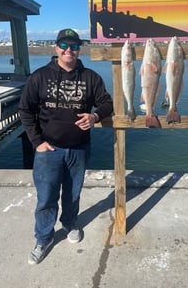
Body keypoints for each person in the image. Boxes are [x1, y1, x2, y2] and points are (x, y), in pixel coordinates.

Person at [19, 28, 113, 265]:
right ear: (56, 48)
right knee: (46, 197)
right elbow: (25, 110)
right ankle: (43, 237)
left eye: (73, 46)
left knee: (73, 193)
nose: (68, 50)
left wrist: (94, 117)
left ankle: (70, 223)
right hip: (48, 150)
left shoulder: (91, 77)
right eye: (64, 45)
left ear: (79, 49)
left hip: (80, 148)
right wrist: (37, 142)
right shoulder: (40, 77)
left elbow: (106, 102)